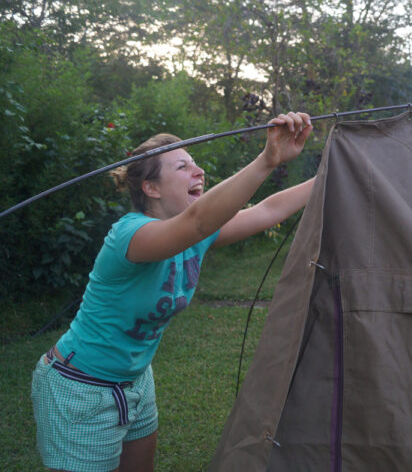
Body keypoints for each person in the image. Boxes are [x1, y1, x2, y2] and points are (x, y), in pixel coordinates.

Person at [31, 112, 314, 471]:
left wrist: (333, 171)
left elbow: (266, 209)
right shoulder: (130, 235)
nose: (199, 172)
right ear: (151, 188)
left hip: (135, 380)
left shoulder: (200, 234)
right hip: (81, 388)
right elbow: (197, 221)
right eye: (183, 167)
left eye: (196, 165)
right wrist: (267, 160)